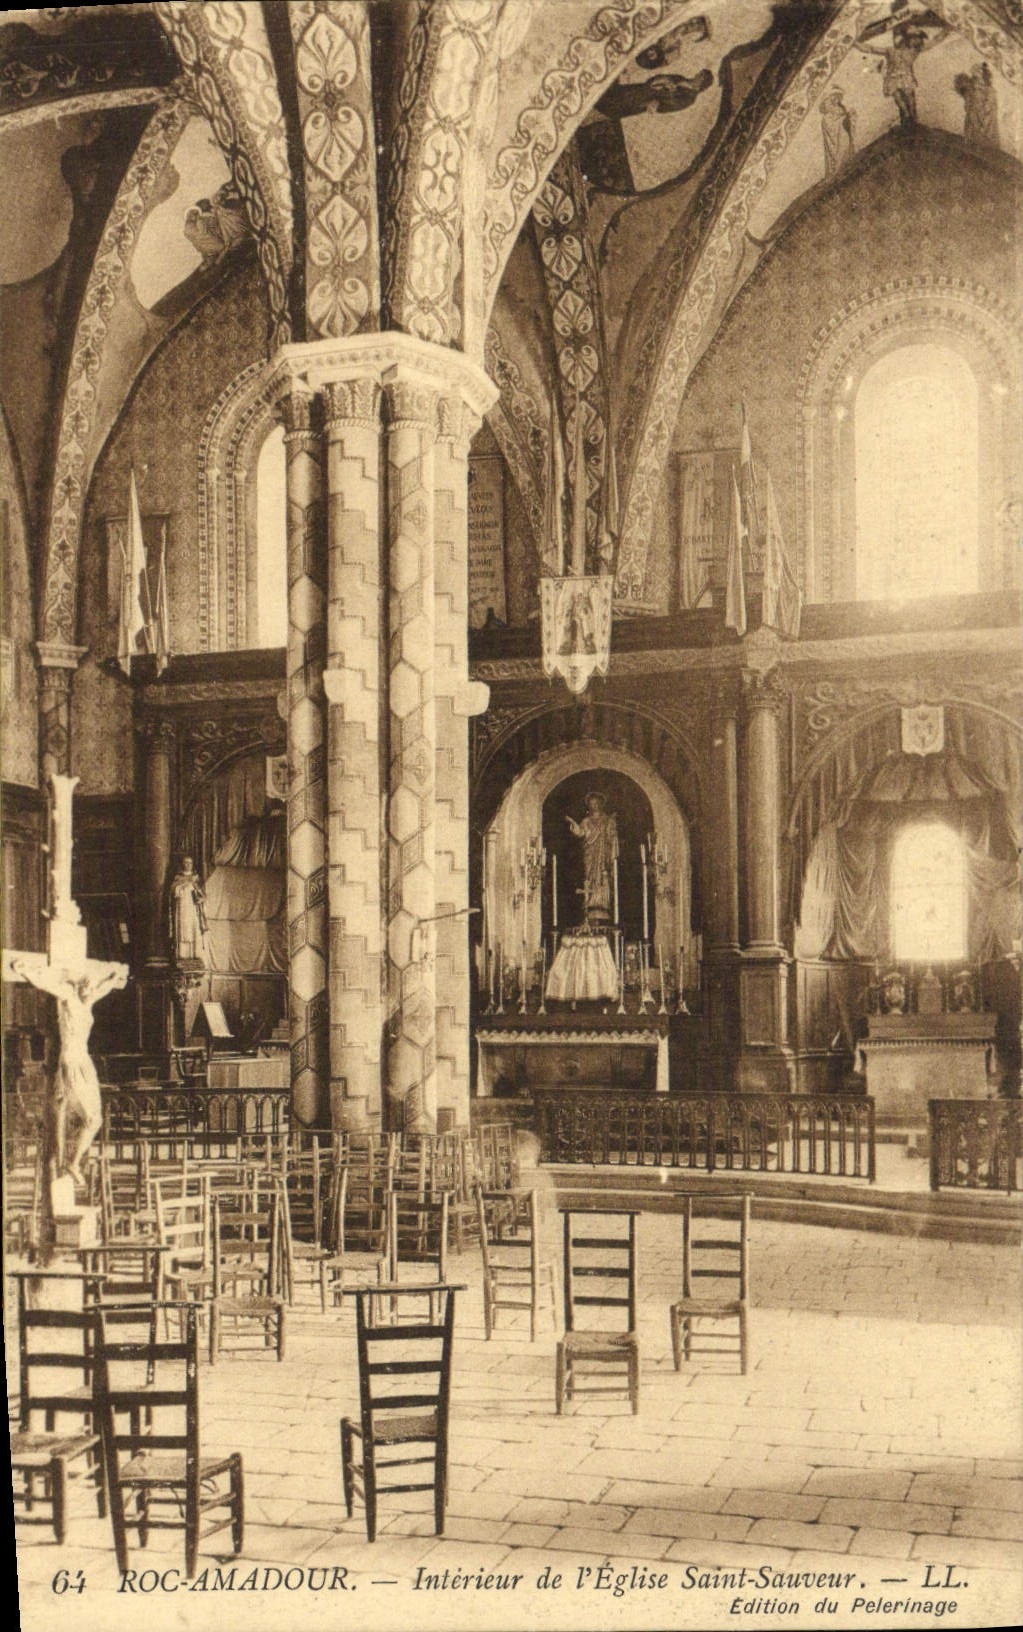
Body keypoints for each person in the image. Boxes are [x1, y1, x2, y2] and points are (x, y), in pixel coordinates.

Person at [11, 957, 127, 1186]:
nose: (91, 990)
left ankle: (73, 1160)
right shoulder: (68, 999)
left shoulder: (87, 1001)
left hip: (84, 1062)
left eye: (92, 987)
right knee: (90, 1118)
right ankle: (71, 1163)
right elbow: (48, 984)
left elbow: (102, 990)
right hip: (71, 1062)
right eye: (88, 985)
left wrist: (113, 978)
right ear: (80, 985)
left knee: (96, 1120)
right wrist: (27, 973)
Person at [857, 17, 949, 128]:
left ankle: (912, 117)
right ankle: (906, 115)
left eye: (918, 39)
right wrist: (855, 43)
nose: (916, 41)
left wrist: (947, 29)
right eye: (914, 39)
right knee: (898, 99)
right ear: (907, 39)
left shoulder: (915, 51)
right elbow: (870, 49)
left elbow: (935, 40)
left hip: (906, 76)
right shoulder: (891, 50)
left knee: (909, 97)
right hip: (892, 77)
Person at [566, 794, 618, 924]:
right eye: (591, 803)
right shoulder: (586, 821)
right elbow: (581, 833)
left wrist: (611, 827)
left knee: (603, 877)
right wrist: (573, 824)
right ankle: (589, 904)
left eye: (596, 803)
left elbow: (612, 838)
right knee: (589, 877)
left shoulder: (607, 820)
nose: (594, 806)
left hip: (603, 855)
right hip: (590, 854)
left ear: (601, 804)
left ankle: (602, 905)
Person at [169, 855, 208, 964]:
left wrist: (201, 899)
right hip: (181, 909)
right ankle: (182, 956)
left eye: (190, 863)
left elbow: (203, 894)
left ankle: (194, 955)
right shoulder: (178, 878)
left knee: (194, 930)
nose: (188, 865)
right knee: (182, 931)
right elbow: (173, 892)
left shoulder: (196, 878)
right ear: (182, 864)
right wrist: (183, 885)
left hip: (193, 909)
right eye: (186, 862)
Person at [820, 88, 855, 177]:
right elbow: (831, 130)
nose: (836, 100)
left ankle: (847, 160)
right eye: (834, 98)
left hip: (844, 133)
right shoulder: (826, 118)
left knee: (846, 147)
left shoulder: (839, 108)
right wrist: (842, 119)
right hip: (837, 138)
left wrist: (849, 115)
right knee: (840, 150)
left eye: (837, 98)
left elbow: (844, 117)